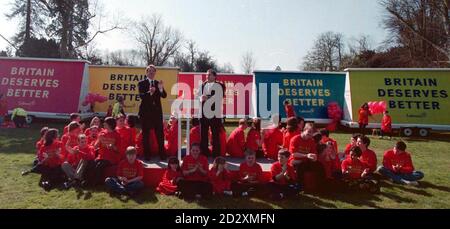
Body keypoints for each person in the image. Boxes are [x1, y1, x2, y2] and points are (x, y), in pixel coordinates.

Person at [138, 65, 167, 161]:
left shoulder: (157, 83)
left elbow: (164, 96)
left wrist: (161, 88)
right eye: (149, 71)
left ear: (155, 73)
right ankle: (147, 155)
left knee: (160, 135)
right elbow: (141, 96)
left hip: (156, 114)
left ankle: (162, 154)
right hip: (145, 113)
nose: (151, 73)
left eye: (153, 71)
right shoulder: (141, 83)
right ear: (146, 72)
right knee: (145, 135)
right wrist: (149, 92)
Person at [198, 69, 225, 157]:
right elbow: (198, 96)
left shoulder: (220, 85)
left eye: (209, 75)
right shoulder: (203, 85)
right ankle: (204, 153)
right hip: (204, 114)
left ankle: (216, 154)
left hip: (214, 114)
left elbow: (219, 96)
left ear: (214, 76)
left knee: (215, 135)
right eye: (206, 75)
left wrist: (208, 98)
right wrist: (200, 98)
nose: (207, 76)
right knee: (203, 135)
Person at [289, 123, 324, 190]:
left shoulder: (311, 141)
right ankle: (300, 186)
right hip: (294, 160)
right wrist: (306, 155)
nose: (310, 134)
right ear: (304, 130)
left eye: (312, 133)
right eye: (309, 132)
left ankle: (321, 186)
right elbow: (293, 154)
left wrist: (314, 158)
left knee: (319, 165)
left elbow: (314, 153)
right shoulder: (295, 139)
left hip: (306, 160)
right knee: (301, 165)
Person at [90, 117, 121, 186]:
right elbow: (95, 146)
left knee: (100, 165)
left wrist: (112, 147)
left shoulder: (117, 135)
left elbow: (119, 150)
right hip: (101, 156)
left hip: (112, 158)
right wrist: (99, 141)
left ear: (110, 125)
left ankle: (96, 183)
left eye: (105, 123)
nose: (103, 124)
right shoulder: (102, 133)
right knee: (92, 163)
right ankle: (88, 180)